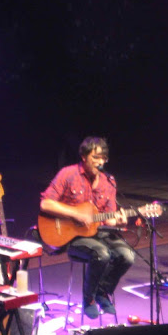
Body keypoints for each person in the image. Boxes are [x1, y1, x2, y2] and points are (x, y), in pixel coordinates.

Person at [40, 136, 135, 319]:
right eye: (95, 157)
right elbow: (46, 204)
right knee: (102, 254)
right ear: (84, 157)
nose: (100, 162)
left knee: (127, 255)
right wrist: (75, 214)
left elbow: (109, 219)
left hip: (97, 232)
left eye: (103, 158)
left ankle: (102, 292)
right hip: (71, 237)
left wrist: (120, 221)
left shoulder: (109, 181)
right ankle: (88, 299)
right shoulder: (68, 174)